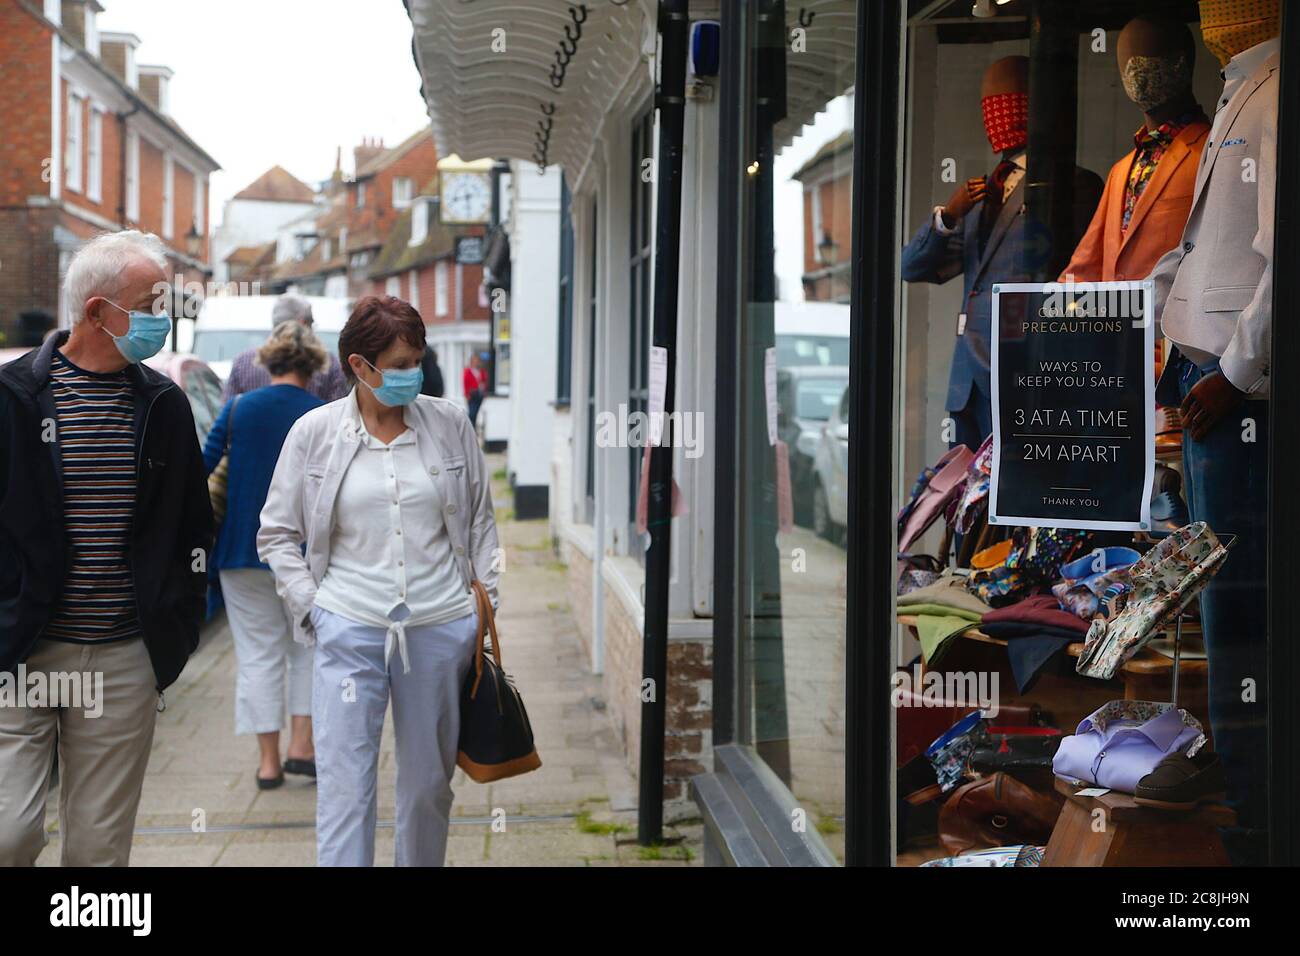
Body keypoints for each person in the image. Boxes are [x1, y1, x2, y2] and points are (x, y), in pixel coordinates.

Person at [258, 295, 501, 867]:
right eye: (397, 364)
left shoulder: (450, 424)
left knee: (426, 788)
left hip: (440, 630)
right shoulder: (313, 432)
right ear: (358, 367)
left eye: (417, 359)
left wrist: (479, 611)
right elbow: (275, 534)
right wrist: (315, 609)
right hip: (349, 629)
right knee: (345, 789)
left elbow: (483, 523)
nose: (411, 374)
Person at [0, 230, 212, 866]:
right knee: (9, 835)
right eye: (151, 303)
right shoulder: (12, 398)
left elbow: (192, 525)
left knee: (97, 848)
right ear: (97, 311)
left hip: (122, 659)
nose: (164, 317)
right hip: (20, 655)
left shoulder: (164, 403)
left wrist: (176, 627)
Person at [1146, 0, 1279, 866]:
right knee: (1216, 586)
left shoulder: (1275, 92)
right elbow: (1209, 241)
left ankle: (1254, 809)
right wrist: (1160, 295)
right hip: (1200, 374)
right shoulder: (1244, 86)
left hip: (1238, 395)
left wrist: (1235, 375)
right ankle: (1240, 782)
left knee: (1240, 602)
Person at [902, 56, 1103, 450]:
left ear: (1035, 105)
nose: (996, 115)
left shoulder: (1073, 186)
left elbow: (1085, 280)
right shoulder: (979, 195)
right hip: (967, 385)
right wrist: (948, 215)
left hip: (1028, 379)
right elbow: (912, 266)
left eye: (1007, 102)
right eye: (989, 105)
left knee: (1021, 501)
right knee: (969, 504)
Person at [204, 322, 325, 789]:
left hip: (241, 552)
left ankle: (269, 763)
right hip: (307, 556)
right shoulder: (323, 413)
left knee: (257, 657)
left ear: (267, 363)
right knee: (307, 652)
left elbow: (201, 466)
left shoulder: (237, 410)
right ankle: (302, 748)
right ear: (314, 366)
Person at [1062, 15, 1210, 285]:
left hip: (1171, 322)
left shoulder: (1212, 152)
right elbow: (1086, 264)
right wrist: (1046, 312)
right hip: (1116, 324)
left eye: (1151, 61)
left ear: (1182, 64)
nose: (1136, 72)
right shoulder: (1120, 172)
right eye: (1126, 63)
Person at [221, 294, 348, 402]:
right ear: (302, 324)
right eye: (311, 324)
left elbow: (227, 412)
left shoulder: (243, 361)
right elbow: (338, 417)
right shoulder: (326, 362)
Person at [463, 350, 488, 426]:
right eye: (474, 360)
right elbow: (465, 383)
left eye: (477, 360)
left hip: (479, 395)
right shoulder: (468, 371)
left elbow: (485, 381)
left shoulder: (481, 371)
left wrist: (484, 391)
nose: (476, 362)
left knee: (475, 413)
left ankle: (472, 429)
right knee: (472, 414)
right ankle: (470, 429)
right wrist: (467, 395)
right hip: (472, 395)